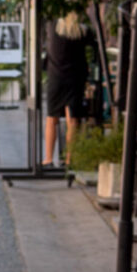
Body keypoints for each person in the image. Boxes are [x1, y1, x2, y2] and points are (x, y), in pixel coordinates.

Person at [44, 11, 94, 167]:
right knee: (72, 120)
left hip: (55, 77)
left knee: (52, 118)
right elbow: (94, 46)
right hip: (75, 78)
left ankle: (48, 158)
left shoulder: (53, 26)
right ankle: (69, 159)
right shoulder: (82, 31)